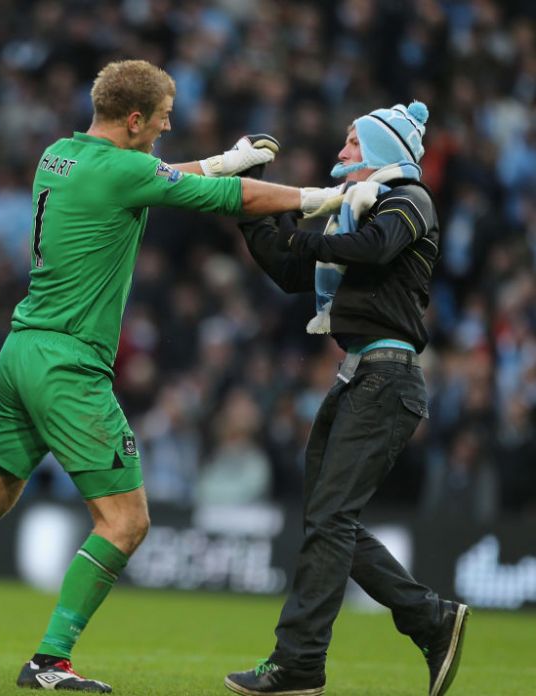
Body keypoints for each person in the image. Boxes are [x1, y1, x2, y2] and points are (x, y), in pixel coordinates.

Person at [0, 59, 361, 693]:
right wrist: (325, 198)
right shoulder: (126, 170)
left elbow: (158, 178)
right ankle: (50, 661)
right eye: (164, 117)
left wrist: (223, 158)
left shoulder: (59, 155)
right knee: (125, 520)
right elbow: (232, 198)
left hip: (21, 352)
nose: (170, 125)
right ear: (136, 118)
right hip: (68, 367)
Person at [224, 102, 468, 696]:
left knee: (330, 519)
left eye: (353, 144)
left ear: (384, 151)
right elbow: (286, 265)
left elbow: (373, 249)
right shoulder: (349, 217)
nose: (340, 154)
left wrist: (305, 210)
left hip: (387, 377)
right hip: (360, 376)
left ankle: (301, 661)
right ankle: (429, 619)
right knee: (329, 520)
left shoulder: (409, 200)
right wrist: (245, 193)